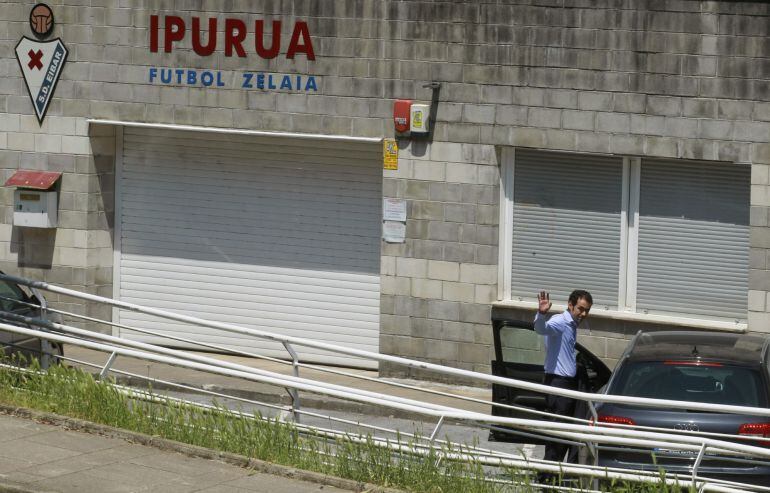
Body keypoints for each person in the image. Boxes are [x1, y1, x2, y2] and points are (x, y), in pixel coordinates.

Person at [534, 289, 592, 484]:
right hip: (558, 384)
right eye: (580, 309)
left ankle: (552, 477)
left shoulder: (571, 324)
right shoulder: (561, 321)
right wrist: (541, 314)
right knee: (556, 436)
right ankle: (545, 480)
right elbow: (541, 329)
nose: (583, 314)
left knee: (561, 434)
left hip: (565, 384)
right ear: (570, 305)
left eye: (587, 311)